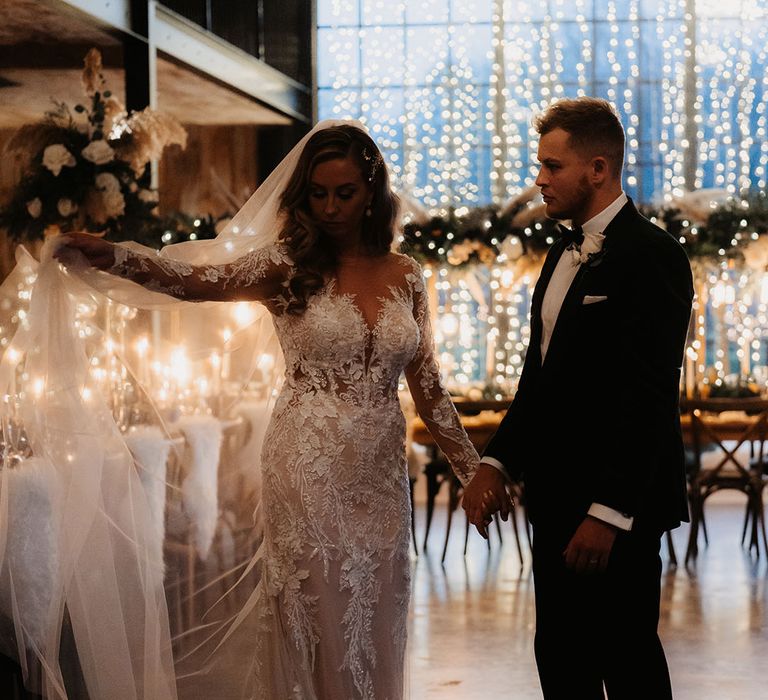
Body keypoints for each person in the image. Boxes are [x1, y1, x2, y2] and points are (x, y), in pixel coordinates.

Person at [54, 121, 481, 699]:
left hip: (380, 474)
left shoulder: (406, 274)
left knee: (376, 605)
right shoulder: (288, 265)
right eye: (318, 194)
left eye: (345, 193)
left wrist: (473, 470)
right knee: (321, 607)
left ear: (373, 192)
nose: (330, 208)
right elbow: (197, 281)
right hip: (306, 467)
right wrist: (118, 257)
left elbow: (426, 384)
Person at [462, 97, 694, 699]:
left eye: (551, 165)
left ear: (597, 168)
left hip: (617, 511)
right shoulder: (559, 255)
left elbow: (647, 396)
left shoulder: (654, 256)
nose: (539, 179)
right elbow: (539, 383)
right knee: (561, 658)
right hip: (555, 495)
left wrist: (608, 513)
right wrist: (495, 463)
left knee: (627, 658)